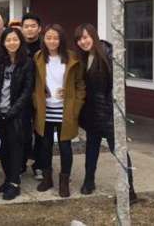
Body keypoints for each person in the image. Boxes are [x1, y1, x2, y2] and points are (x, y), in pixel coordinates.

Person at [73, 23, 136, 202]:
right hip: (91, 113)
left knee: (119, 150)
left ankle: (129, 189)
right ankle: (89, 180)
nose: (83, 42)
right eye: (79, 39)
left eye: (85, 37)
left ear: (93, 35)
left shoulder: (109, 54)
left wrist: (114, 112)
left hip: (109, 113)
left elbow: (117, 88)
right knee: (91, 148)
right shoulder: (83, 58)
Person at [34, 24, 86, 198]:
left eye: (55, 38)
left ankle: (64, 181)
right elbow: (33, 84)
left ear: (61, 39)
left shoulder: (71, 58)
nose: (52, 41)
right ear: (44, 39)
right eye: (48, 37)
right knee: (45, 145)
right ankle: (47, 178)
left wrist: (75, 105)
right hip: (45, 109)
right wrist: (38, 98)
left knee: (65, 147)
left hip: (65, 110)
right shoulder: (38, 57)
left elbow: (80, 84)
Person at [0, 28, 35, 200]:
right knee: (2, 146)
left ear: (20, 41)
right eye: (8, 40)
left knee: (14, 146)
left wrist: (12, 112)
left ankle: (14, 183)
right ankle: (8, 178)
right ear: (3, 42)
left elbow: (27, 91)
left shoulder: (27, 62)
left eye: (15, 39)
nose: (12, 43)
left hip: (16, 114)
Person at [21, 12, 43, 179]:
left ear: (39, 28)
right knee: (22, 131)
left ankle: (39, 164)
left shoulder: (46, 47)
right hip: (22, 96)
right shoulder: (17, 46)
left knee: (41, 131)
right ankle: (20, 164)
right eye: (26, 26)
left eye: (33, 26)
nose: (29, 29)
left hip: (42, 95)